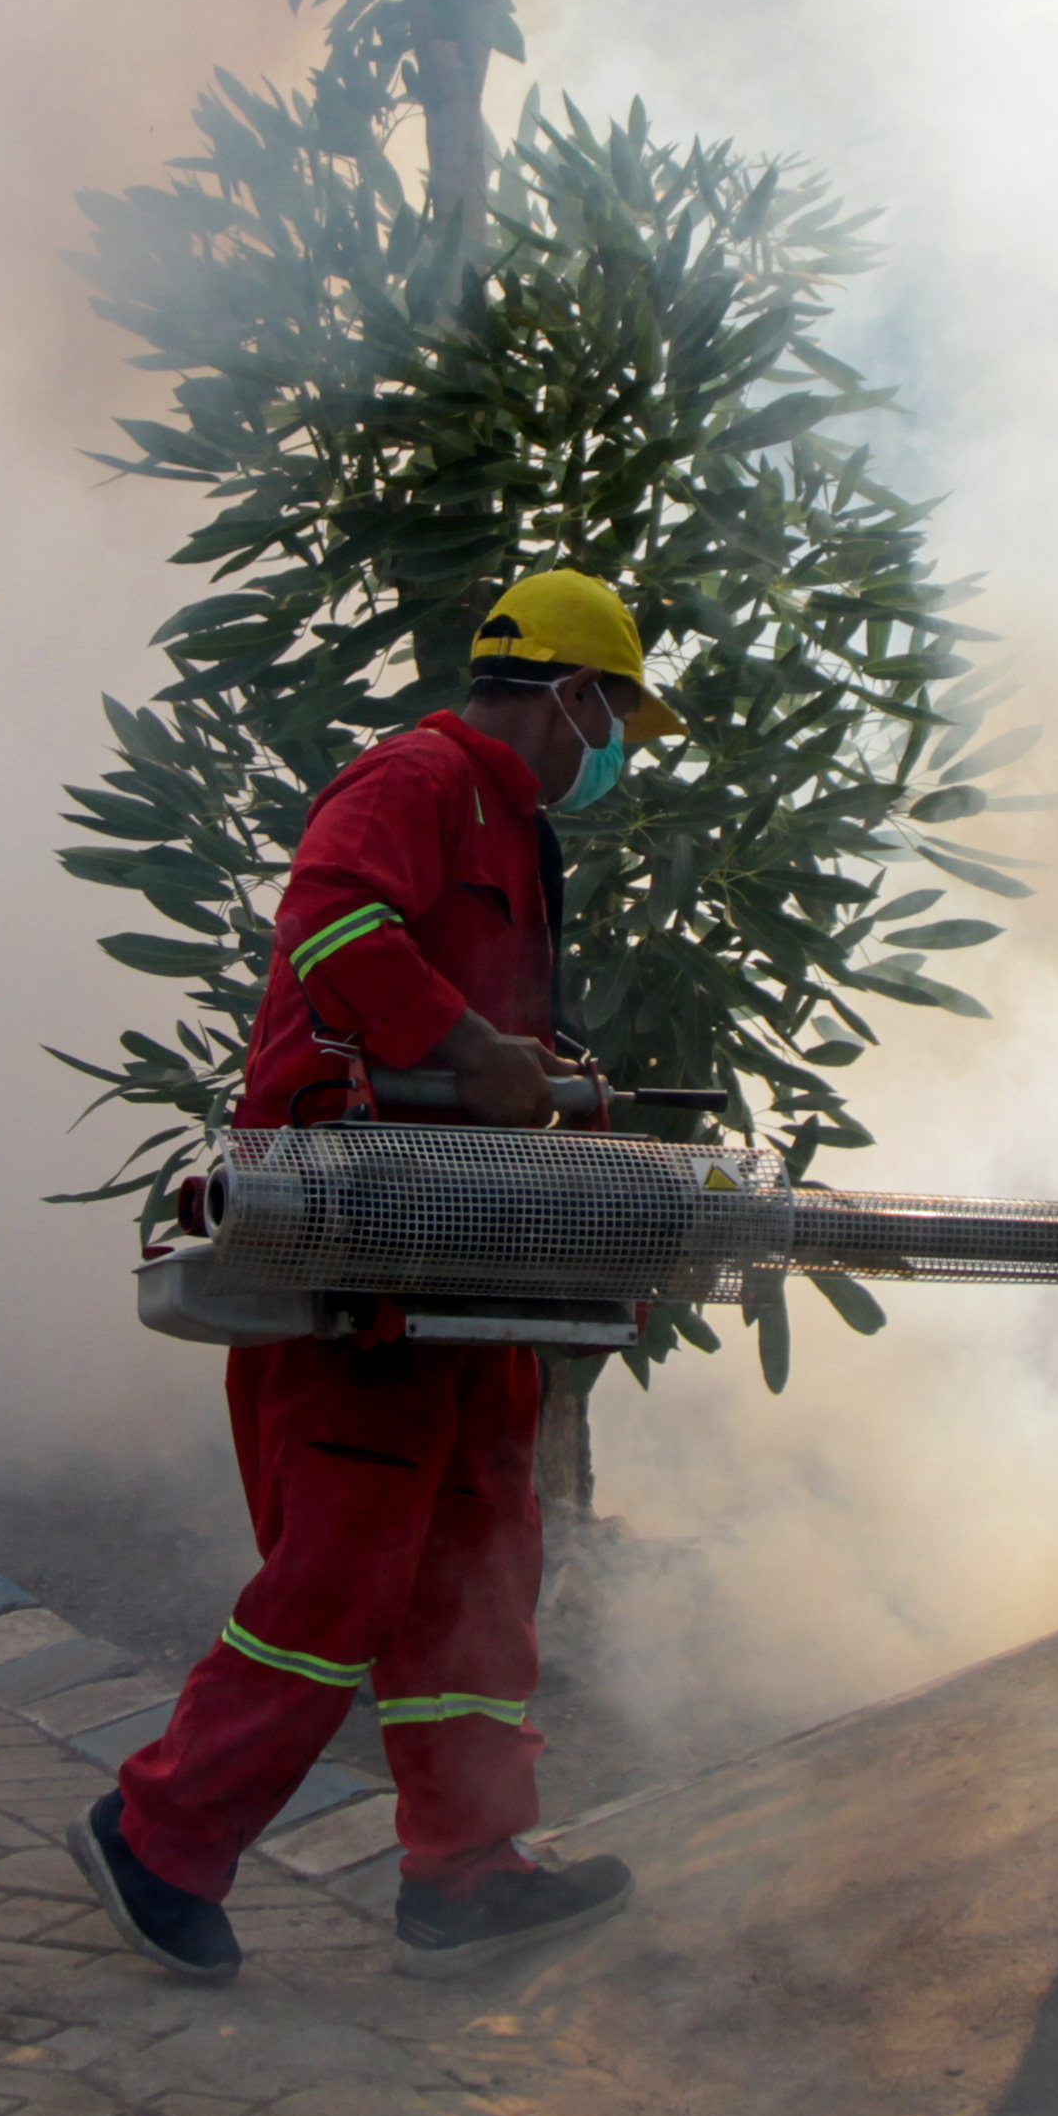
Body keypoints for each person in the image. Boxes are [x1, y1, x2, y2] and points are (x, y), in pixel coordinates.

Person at [69, 568, 679, 1985]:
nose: (615, 752)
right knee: (343, 1568)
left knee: (479, 1563)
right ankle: (158, 1833)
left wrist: (541, 1077)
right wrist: (477, 1055)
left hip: (460, 1249)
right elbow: (331, 929)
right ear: (571, 695)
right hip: (355, 1252)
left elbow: (483, 1036)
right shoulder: (411, 782)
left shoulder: (517, 831)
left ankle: (466, 1869)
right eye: (613, 717)